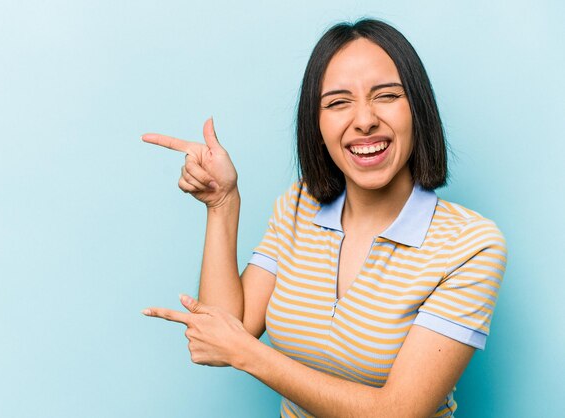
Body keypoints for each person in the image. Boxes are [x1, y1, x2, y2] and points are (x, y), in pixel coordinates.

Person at [141, 18, 507, 418]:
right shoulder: (298, 205)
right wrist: (222, 203)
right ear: (316, 125)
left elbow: (398, 412)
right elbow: (229, 327)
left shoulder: (472, 245)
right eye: (337, 102)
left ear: (417, 109)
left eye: (385, 96)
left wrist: (249, 355)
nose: (364, 120)